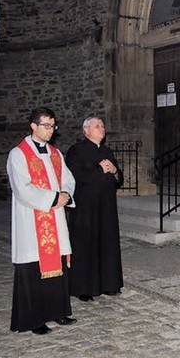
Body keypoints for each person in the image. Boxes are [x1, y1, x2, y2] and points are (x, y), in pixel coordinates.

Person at [6, 107, 77, 335]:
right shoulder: (18, 154)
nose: (51, 130)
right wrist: (53, 198)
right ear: (33, 126)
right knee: (33, 269)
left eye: (53, 126)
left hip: (55, 217)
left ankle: (58, 311)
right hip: (31, 220)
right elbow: (22, 188)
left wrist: (65, 194)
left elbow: (67, 178)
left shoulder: (56, 154)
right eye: (46, 125)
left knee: (58, 268)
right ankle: (34, 318)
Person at [66, 116, 124, 301]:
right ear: (86, 131)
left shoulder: (107, 150)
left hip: (106, 206)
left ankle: (109, 283)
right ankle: (83, 288)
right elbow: (74, 176)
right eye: (97, 126)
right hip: (85, 208)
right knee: (85, 245)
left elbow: (119, 179)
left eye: (103, 126)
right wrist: (99, 169)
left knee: (107, 244)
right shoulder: (76, 151)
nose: (102, 128)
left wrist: (115, 172)